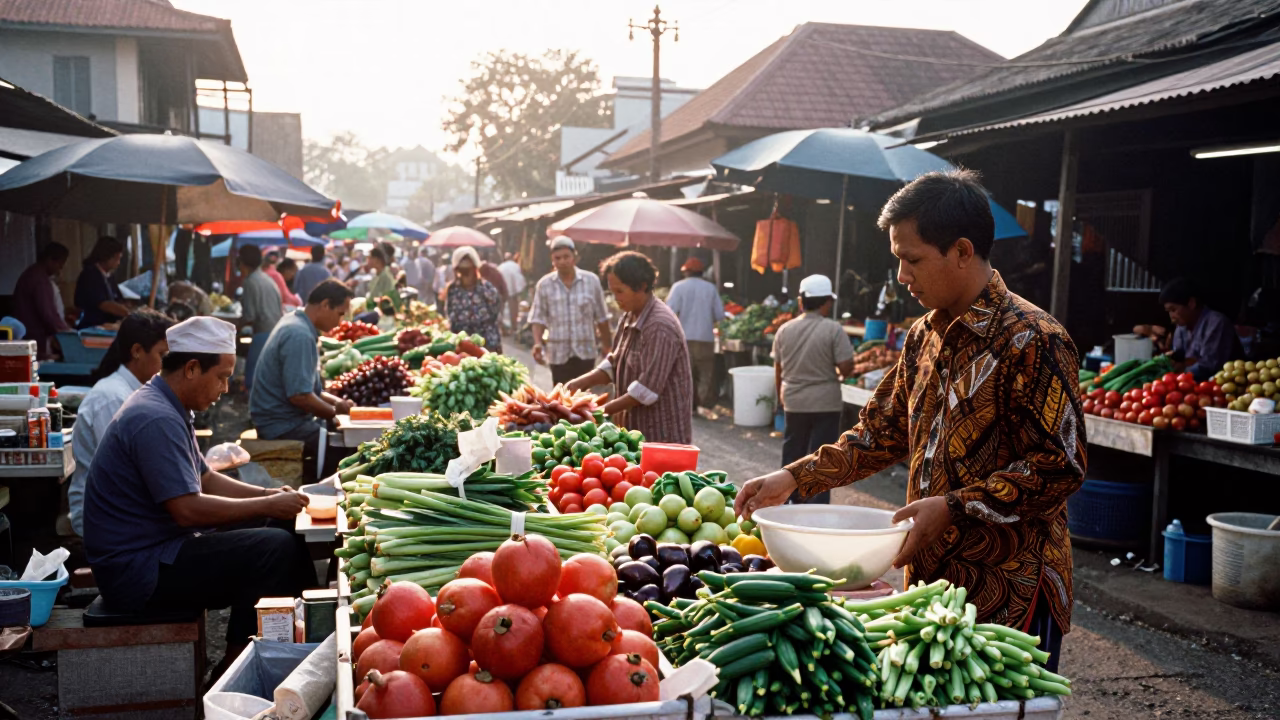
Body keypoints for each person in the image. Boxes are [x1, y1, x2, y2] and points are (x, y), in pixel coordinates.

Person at [734, 170, 1085, 672]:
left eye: (912, 259)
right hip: (927, 584)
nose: (901, 276)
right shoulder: (923, 335)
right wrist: (795, 476)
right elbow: (879, 431)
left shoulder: (1034, 340)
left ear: (963, 251)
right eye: (898, 259)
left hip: (1011, 592)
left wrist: (955, 507)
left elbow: (1061, 467)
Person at [83, 316, 316, 672]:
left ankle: (303, 639)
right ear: (192, 368)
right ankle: (238, 664)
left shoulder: (169, 405)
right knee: (273, 549)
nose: (225, 388)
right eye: (221, 377)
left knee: (283, 528)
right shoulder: (155, 416)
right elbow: (187, 510)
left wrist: (269, 496)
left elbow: (205, 478)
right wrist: (267, 503)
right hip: (137, 571)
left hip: (160, 550)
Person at [566, 251, 693, 444]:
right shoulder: (630, 315)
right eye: (612, 291)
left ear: (641, 286)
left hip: (661, 432)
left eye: (620, 291)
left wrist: (597, 412)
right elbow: (616, 361)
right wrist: (581, 382)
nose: (616, 298)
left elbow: (646, 390)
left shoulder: (659, 326)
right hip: (634, 428)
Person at [69, 308, 175, 537]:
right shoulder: (112, 398)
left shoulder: (139, 393)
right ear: (137, 351)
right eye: (163, 356)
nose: (170, 366)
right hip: (103, 515)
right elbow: (127, 472)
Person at [251, 280, 355, 480]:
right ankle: (317, 492)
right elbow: (300, 397)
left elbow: (309, 390)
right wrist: (335, 414)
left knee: (338, 435)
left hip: (284, 418)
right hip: (280, 424)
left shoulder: (296, 321)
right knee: (341, 450)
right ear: (325, 305)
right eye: (340, 314)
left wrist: (338, 403)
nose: (340, 322)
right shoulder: (299, 334)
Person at [771, 274, 855, 505]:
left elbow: (778, 370)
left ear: (801, 302)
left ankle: (788, 499)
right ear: (826, 302)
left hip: (793, 401)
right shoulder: (833, 329)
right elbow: (846, 367)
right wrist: (843, 371)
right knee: (822, 457)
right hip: (825, 403)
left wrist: (780, 397)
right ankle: (817, 505)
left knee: (793, 453)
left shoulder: (784, 330)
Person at [529, 238, 613, 385]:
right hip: (558, 353)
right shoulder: (544, 284)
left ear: (575, 257)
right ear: (552, 260)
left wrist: (607, 346)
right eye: (557, 258)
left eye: (566, 257)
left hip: (585, 351)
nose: (562, 261)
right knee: (562, 397)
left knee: (585, 398)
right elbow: (538, 318)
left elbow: (602, 317)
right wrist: (538, 343)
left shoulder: (591, 281)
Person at [1149, 278, 1239, 382]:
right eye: (1169, 311)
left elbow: (1209, 367)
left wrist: (1176, 378)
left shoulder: (1217, 323)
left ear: (1191, 303)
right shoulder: (1181, 326)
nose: (1172, 317)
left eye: (1173, 310)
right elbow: (1178, 357)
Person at [664, 256, 724, 413]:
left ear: (686, 272)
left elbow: (669, 313)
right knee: (705, 374)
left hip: (683, 338)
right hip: (706, 338)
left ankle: (688, 403)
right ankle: (699, 402)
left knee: (685, 373)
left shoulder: (678, 287)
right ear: (701, 273)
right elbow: (719, 315)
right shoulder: (710, 288)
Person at [13, 242, 72, 359]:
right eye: (60, 264)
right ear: (50, 260)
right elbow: (48, 313)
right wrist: (67, 332)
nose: (60, 269)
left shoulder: (33, 273)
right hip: (35, 337)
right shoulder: (39, 280)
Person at [237, 244, 283, 390]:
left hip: (264, 333)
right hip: (275, 330)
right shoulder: (265, 277)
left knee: (252, 380)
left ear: (242, 262)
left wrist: (233, 329)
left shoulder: (250, 281)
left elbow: (249, 316)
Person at [443, 246, 503, 353]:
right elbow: (449, 314)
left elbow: (495, 312)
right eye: (461, 270)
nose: (464, 275)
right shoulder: (453, 290)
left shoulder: (487, 289)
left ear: (475, 269)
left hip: (487, 343)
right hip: (461, 344)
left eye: (467, 270)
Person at [75, 236, 130, 329]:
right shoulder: (90, 275)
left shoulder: (109, 276)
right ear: (106, 257)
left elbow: (118, 300)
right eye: (117, 259)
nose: (118, 263)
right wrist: (128, 313)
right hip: (92, 326)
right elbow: (103, 304)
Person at [366, 247, 402, 313]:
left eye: (369, 258)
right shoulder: (377, 274)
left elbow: (387, 300)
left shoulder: (386, 276)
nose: (367, 260)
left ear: (376, 259)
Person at [498, 252, 528, 332]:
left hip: (502, 290)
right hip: (512, 290)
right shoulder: (515, 266)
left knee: (501, 308)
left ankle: (502, 327)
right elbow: (519, 279)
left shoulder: (501, 266)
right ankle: (513, 326)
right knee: (513, 307)